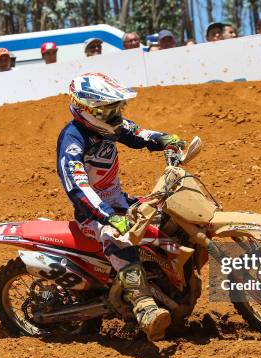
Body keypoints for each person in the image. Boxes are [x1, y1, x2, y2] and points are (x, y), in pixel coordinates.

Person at [56, 73, 185, 341]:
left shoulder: (109, 126)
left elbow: (137, 133)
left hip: (119, 201)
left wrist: (164, 140)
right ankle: (144, 306)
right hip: (93, 215)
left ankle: (171, 281)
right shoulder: (72, 140)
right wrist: (107, 217)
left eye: (118, 108)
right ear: (88, 110)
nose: (116, 116)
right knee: (117, 237)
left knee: (170, 209)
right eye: (109, 110)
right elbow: (77, 187)